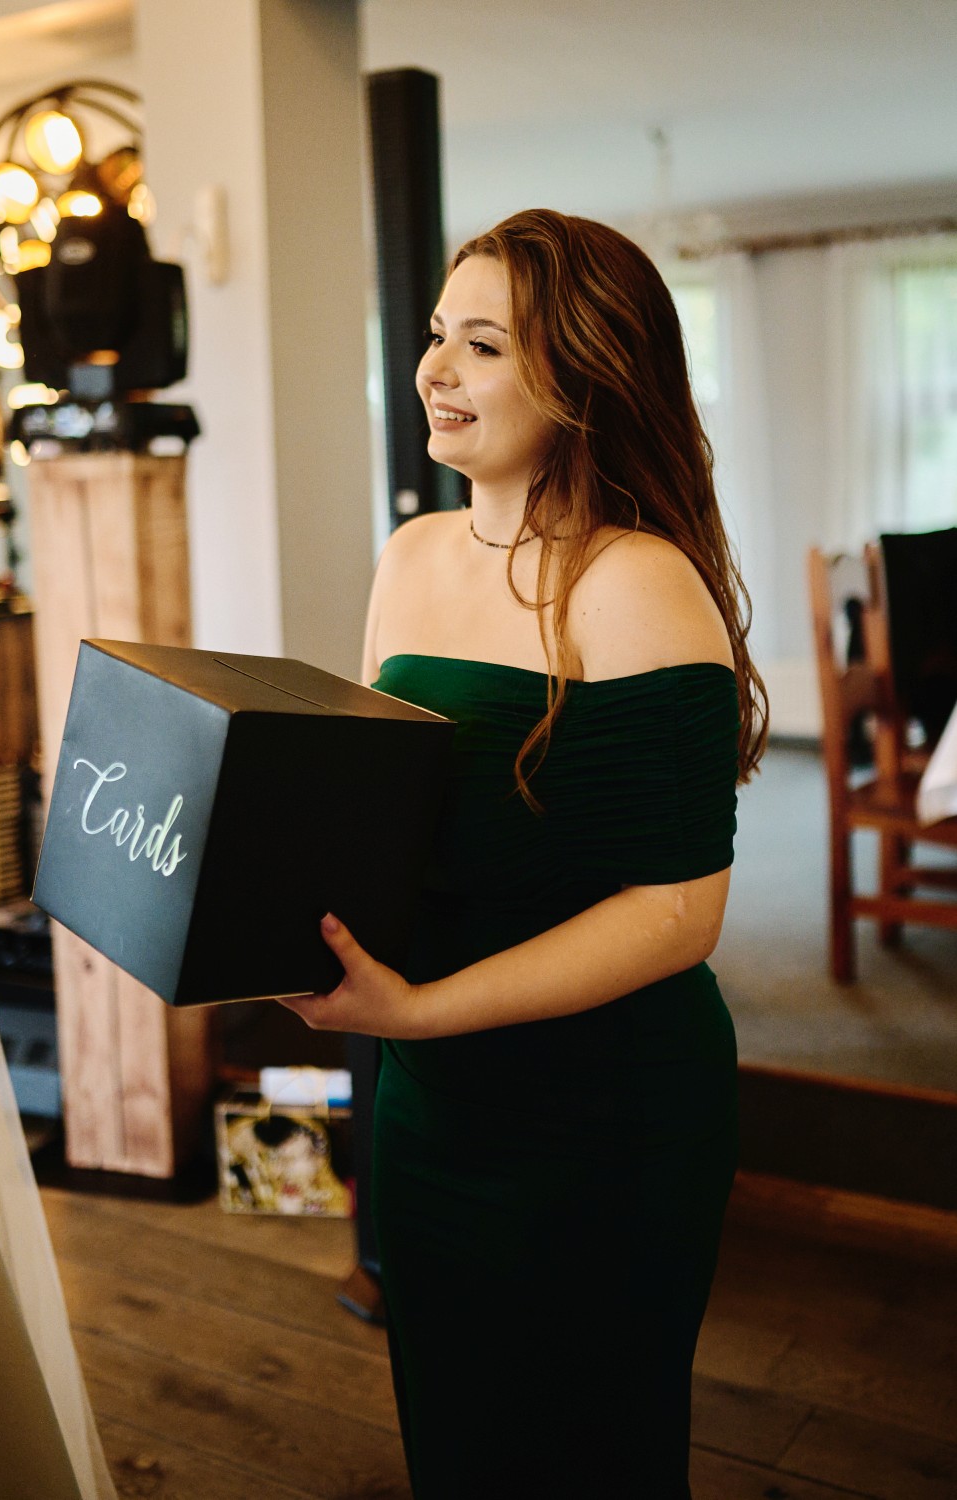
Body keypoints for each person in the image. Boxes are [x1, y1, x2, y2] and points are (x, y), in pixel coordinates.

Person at [279, 208, 768, 1499]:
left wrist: (421, 1010)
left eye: (483, 346)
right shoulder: (410, 556)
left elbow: (679, 911)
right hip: (432, 1099)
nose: (434, 369)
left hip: (600, 1116)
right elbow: (380, 811)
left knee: (588, 1454)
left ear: (584, 378)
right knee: (457, 1439)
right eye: (439, 334)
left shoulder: (635, 581)